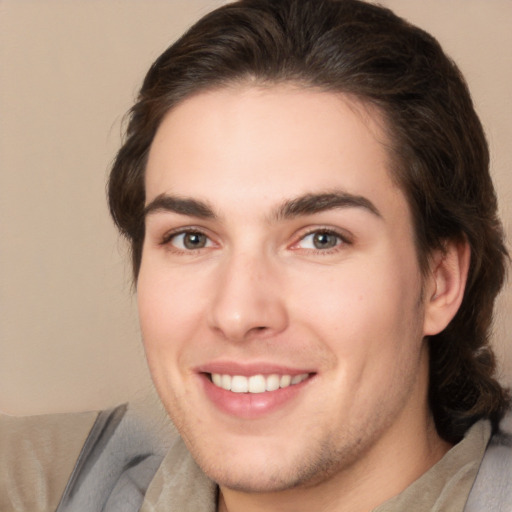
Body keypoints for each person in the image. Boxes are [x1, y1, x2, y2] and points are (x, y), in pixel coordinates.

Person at [1, 0, 510, 511]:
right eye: (192, 238)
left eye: (321, 239)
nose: (238, 313)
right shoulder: (43, 488)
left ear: (438, 282)